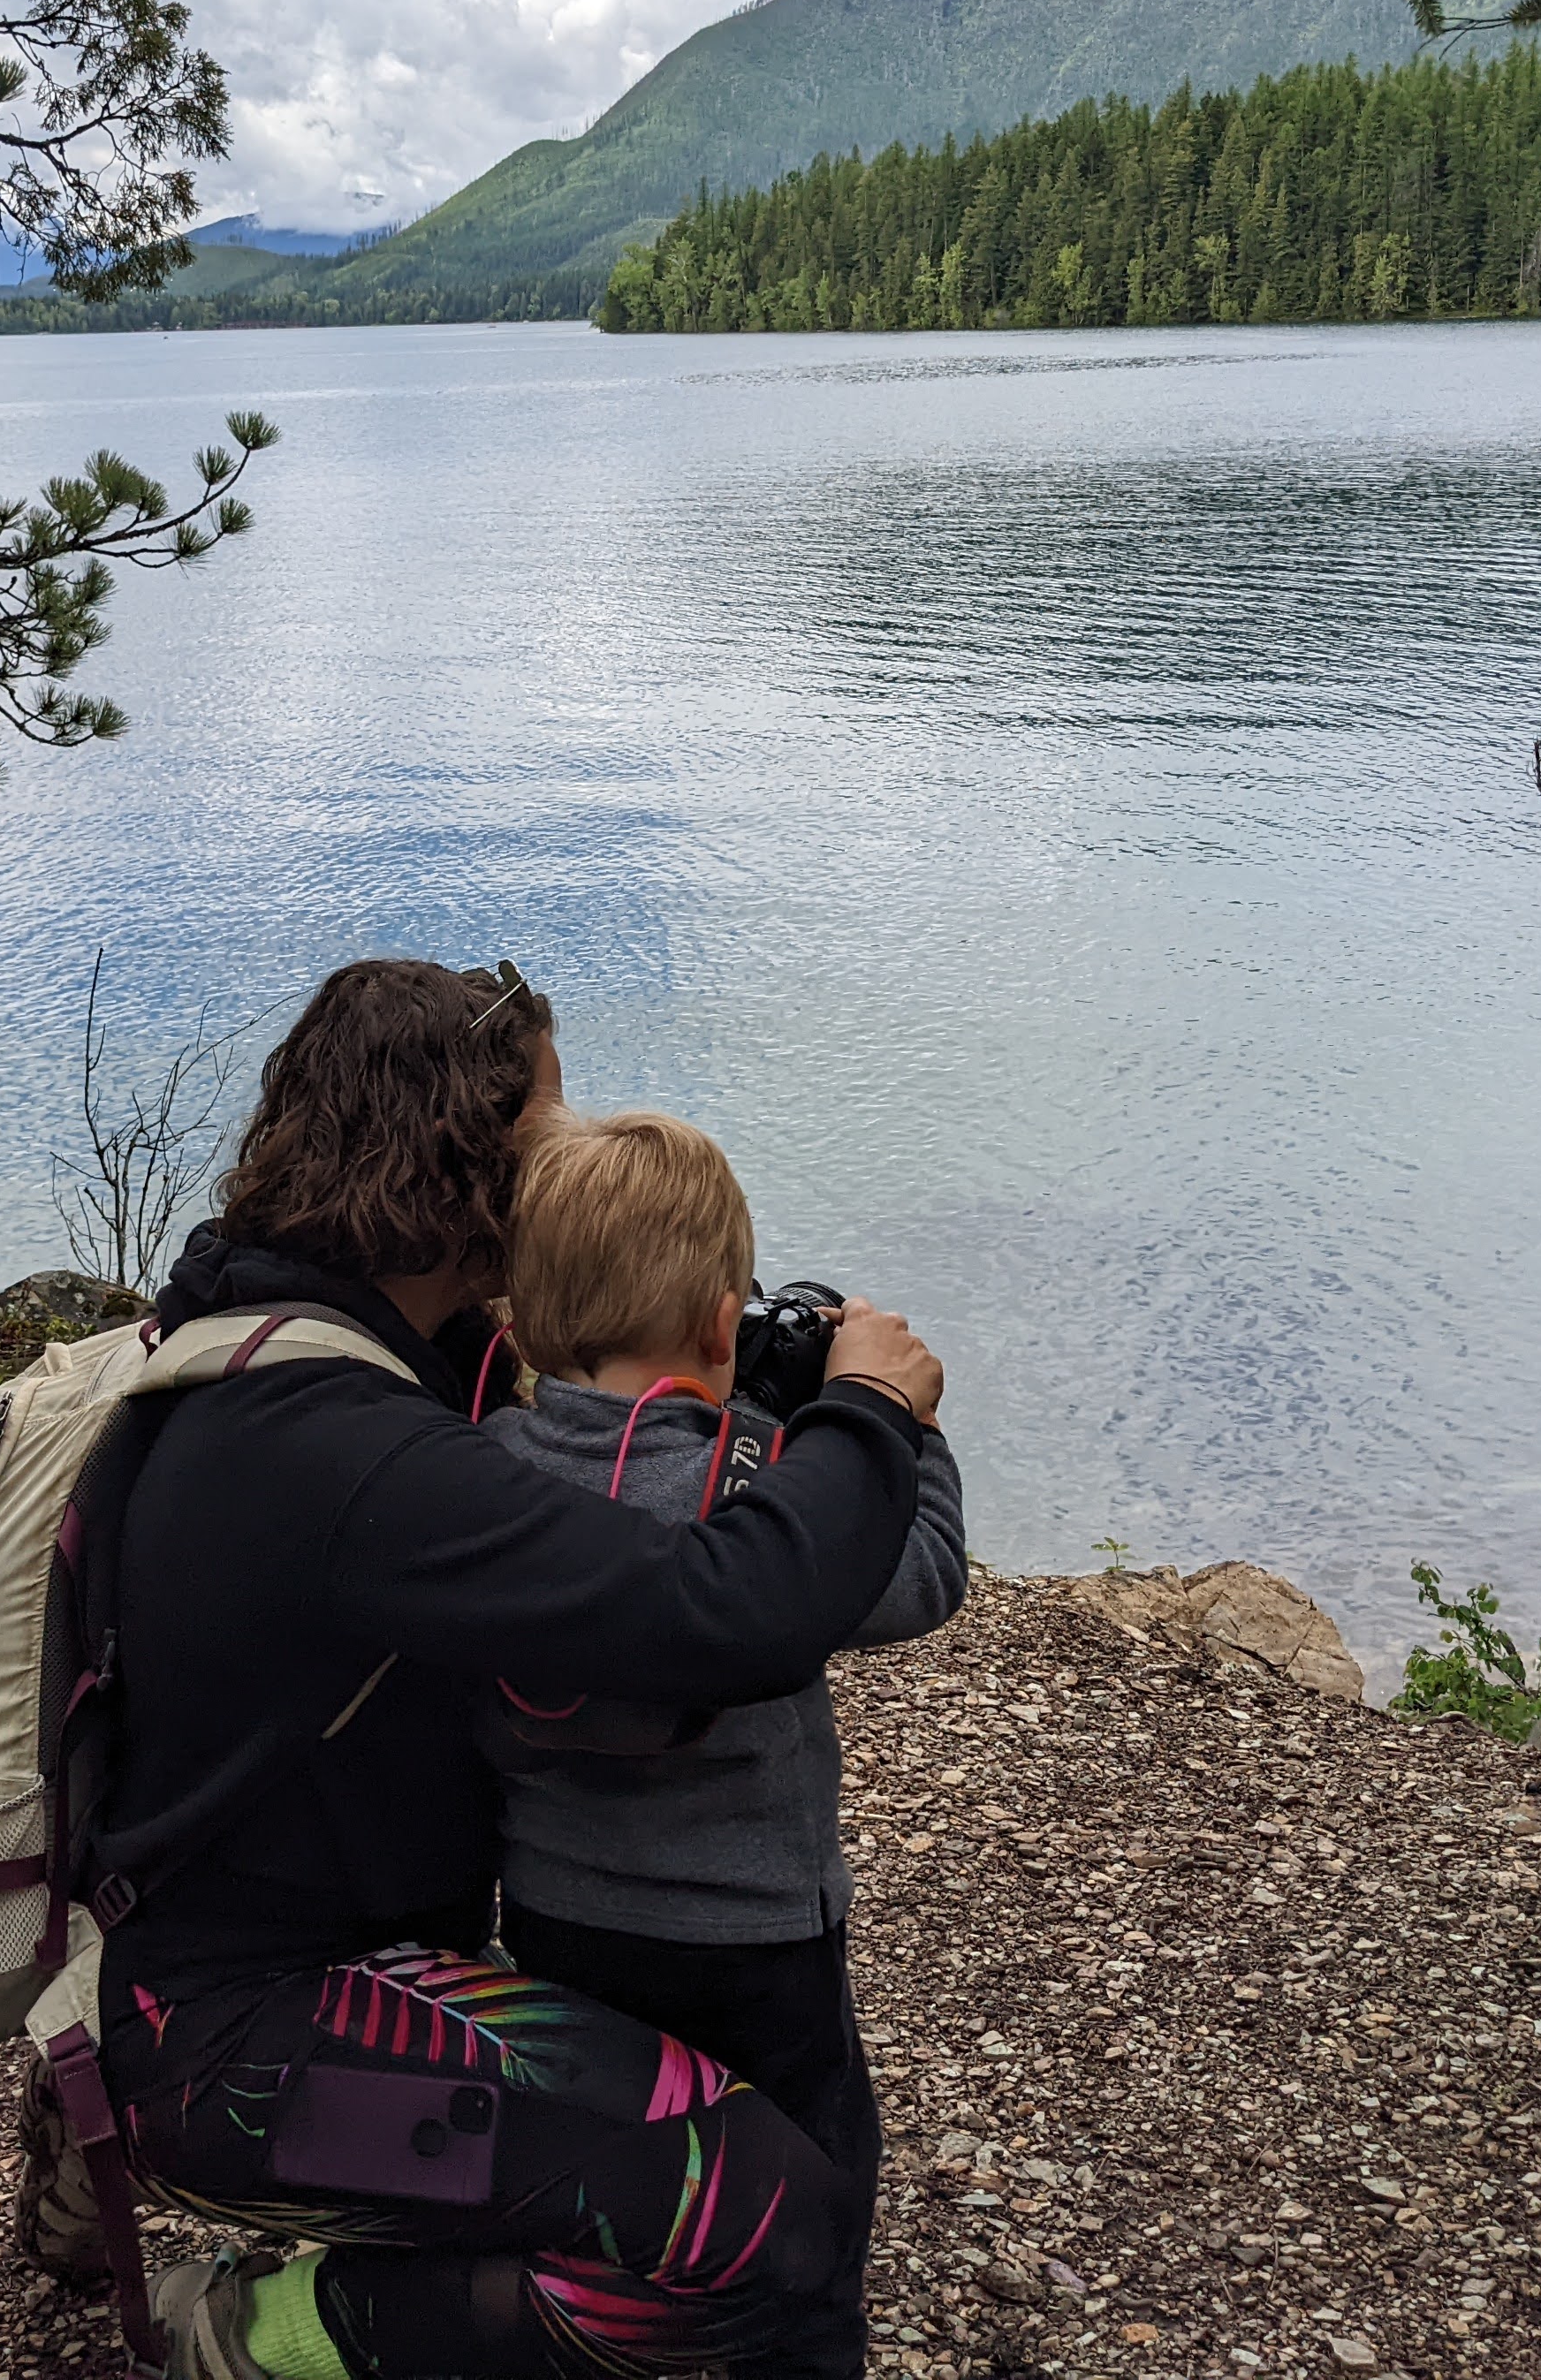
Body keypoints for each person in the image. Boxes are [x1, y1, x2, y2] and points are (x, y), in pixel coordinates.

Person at [91, 958, 945, 2380]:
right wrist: (868, 1413)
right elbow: (730, 1612)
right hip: (249, 2053)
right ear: (463, 1157)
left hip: (217, 1979)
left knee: (705, 2185)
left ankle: (105, 2158)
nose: (567, 1155)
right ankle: (264, 2334)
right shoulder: (352, 1454)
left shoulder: (284, 1337)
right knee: (771, 2227)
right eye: (551, 1126)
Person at [474, 1110, 967, 2380]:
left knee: (621, 2161)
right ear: (716, 1323)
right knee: (812, 2175)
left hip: (556, 1916)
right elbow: (922, 1575)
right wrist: (893, 1423)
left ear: (525, 1320)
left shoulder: (484, 1468)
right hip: (753, 1937)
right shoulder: (760, 1499)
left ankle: (624, 2335)